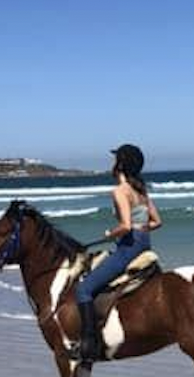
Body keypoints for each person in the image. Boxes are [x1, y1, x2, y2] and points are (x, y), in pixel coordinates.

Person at [74, 144, 162, 361]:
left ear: (120, 164)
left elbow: (125, 225)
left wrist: (109, 234)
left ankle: (88, 344)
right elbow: (157, 222)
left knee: (84, 290)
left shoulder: (120, 191)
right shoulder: (141, 190)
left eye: (114, 160)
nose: (111, 164)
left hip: (129, 246)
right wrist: (141, 230)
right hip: (144, 243)